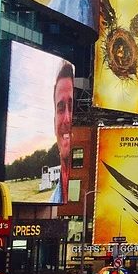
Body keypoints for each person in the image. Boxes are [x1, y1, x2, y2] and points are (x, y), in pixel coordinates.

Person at [51, 63, 75, 203]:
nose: (66, 119)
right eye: (61, 109)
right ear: (54, 123)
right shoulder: (50, 203)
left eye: (71, 108)